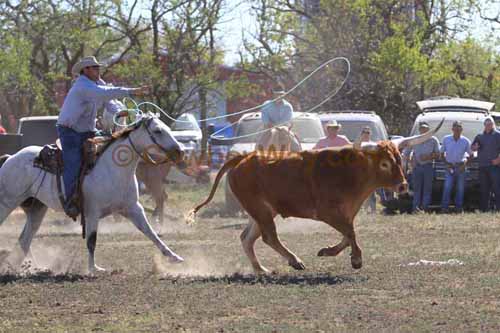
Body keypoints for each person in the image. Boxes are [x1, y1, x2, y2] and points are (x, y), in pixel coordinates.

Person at [57, 56, 149, 218]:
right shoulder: (83, 86)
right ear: (85, 70)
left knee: (108, 153)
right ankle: (71, 201)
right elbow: (105, 93)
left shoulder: (97, 84)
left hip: (87, 132)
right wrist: (132, 91)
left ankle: (105, 194)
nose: (98, 70)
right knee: (74, 162)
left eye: (98, 67)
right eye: (94, 67)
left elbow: (110, 103)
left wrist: (123, 113)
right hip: (69, 132)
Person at [404, 122, 440, 212]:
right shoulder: (415, 139)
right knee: (417, 189)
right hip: (417, 167)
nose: (423, 130)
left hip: (428, 166)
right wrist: (410, 162)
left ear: (428, 130)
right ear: (419, 130)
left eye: (425, 129)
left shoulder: (434, 140)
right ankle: (415, 209)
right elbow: (406, 153)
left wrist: (428, 157)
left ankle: (424, 209)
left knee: (427, 189)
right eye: (421, 129)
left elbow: (438, 155)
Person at [440, 121, 472, 213]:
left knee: (460, 189)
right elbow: (441, 154)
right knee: (447, 187)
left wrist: (465, 165)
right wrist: (446, 164)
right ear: (452, 129)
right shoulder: (446, 139)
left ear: (462, 130)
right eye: (455, 128)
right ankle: (444, 208)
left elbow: (471, 155)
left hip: (460, 167)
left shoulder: (466, 141)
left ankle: (458, 208)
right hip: (449, 167)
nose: (457, 130)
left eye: (459, 128)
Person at [471, 117, 500, 212]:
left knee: (497, 188)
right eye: (486, 124)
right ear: (484, 125)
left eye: (490, 124)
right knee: (484, 189)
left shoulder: (498, 135)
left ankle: (498, 209)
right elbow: (473, 147)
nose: (488, 126)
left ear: (493, 125)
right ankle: (484, 210)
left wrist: (499, 159)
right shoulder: (479, 136)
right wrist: (475, 147)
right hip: (482, 166)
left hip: (494, 166)